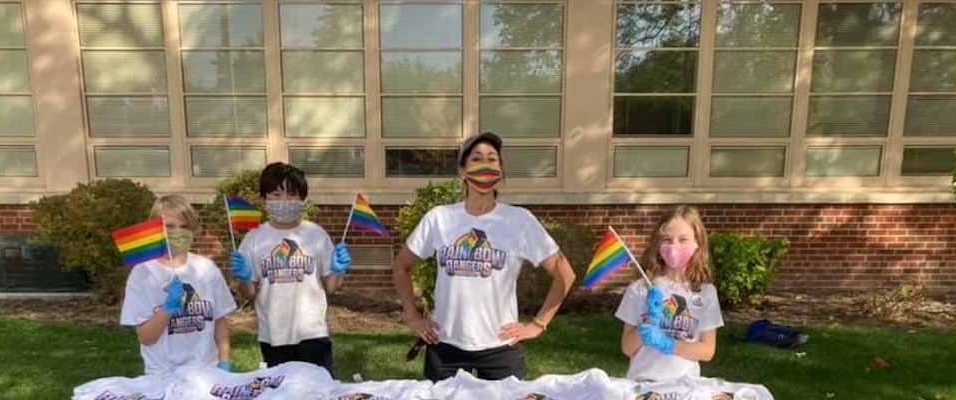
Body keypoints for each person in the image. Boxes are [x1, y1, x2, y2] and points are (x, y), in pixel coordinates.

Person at [392, 131, 577, 382]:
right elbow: (402, 267)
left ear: (501, 173)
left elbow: (564, 274)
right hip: (445, 344)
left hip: (501, 346)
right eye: (477, 159)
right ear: (462, 172)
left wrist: (538, 324)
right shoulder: (439, 218)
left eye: (492, 159)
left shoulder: (519, 221)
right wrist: (412, 316)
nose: (485, 165)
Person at [228, 162, 352, 378]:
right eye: (276, 194)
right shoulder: (254, 238)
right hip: (273, 335)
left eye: (292, 194)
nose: (284, 201)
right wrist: (245, 279)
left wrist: (338, 270)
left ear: (302, 198)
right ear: (264, 199)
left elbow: (331, 288)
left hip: (312, 332)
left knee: (318, 391)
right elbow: (250, 294)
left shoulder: (316, 234)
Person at [119, 194, 238, 376]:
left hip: (207, 371)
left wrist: (224, 361)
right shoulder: (143, 273)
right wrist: (167, 308)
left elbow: (219, 319)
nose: (178, 232)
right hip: (164, 374)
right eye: (170, 226)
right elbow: (146, 337)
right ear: (156, 229)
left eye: (184, 226)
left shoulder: (206, 268)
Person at [615, 205, 723, 382]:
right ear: (657, 244)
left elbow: (707, 351)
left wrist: (669, 344)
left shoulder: (706, 292)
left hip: (685, 384)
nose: (675, 246)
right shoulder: (640, 288)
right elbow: (627, 348)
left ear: (698, 243)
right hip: (642, 382)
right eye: (667, 239)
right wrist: (645, 329)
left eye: (683, 239)